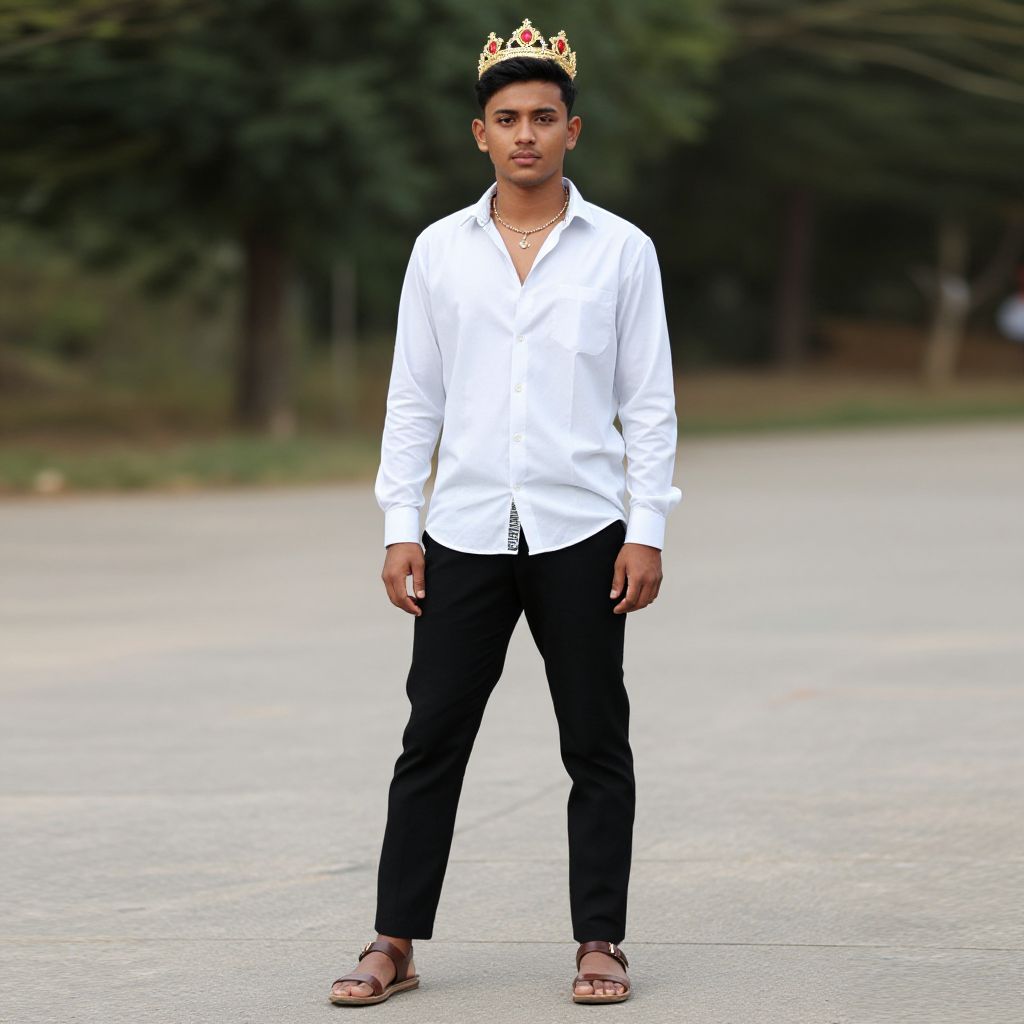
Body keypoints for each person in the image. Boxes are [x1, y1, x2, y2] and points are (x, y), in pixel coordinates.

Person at [329, 16, 681, 1007]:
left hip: (583, 530)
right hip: (465, 530)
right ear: (479, 133)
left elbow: (649, 403)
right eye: (508, 118)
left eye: (543, 116)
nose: (526, 133)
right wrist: (400, 523)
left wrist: (646, 528)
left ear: (574, 129)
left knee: (594, 740)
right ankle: (393, 940)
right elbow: (415, 400)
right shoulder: (440, 251)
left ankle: (600, 941)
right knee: (432, 738)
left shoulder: (621, 251)